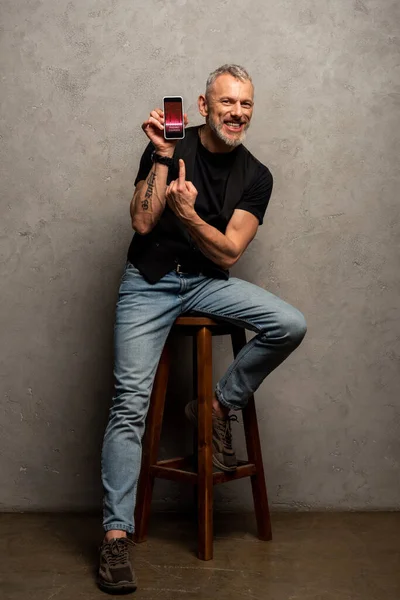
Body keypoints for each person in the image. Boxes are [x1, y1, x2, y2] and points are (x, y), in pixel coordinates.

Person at [97, 64, 307, 594]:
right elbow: (142, 223)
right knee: (129, 401)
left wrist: (189, 217)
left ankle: (216, 405)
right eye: (227, 102)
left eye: (246, 105)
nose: (236, 113)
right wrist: (163, 159)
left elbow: (230, 249)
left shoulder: (256, 176)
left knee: (289, 323)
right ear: (204, 104)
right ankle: (115, 538)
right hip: (148, 281)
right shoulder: (169, 142)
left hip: (207, 283)